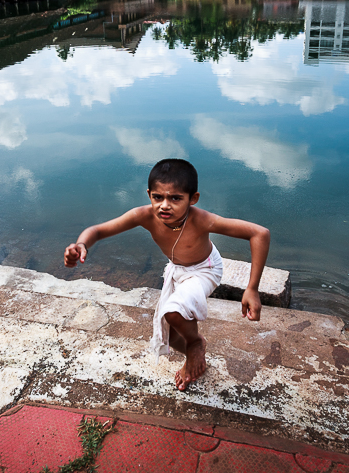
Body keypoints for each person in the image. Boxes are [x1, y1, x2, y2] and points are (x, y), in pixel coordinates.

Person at [64, 159, 270, 391]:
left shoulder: (202, 220)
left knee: (173, 312)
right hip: (177, 270)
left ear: (193, 199)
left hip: (205, 269)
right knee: (169, 332)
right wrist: (81, 244)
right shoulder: (143, 215)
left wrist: (251, 288)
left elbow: (259, 233)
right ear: (149, 194)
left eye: (175, 198)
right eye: (157, 197)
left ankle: (195, 344)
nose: (164, 206)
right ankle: (193, 344)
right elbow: (99, 230)